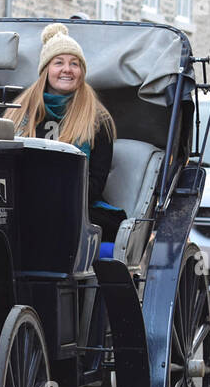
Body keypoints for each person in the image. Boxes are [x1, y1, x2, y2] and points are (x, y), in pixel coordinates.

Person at [10, 23, 124, 237]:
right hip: (24, 198)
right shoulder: (18, 113)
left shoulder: (98, 120)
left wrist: (52, 198)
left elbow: (95, 182)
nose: (67, 70)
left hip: (76, 202)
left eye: (75, 64)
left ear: (81, 72)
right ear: (45, 70)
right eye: (58, 62)